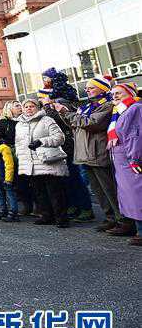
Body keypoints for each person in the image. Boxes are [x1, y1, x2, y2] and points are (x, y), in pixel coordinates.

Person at [54, 75, 133, 234]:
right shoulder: (88, 106)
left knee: (110, 189)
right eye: (87, 88)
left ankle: (123, 220)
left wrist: (67, 113)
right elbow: (74, 124)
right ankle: (110, 218)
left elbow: (91, 123)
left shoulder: (107, 105)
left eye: (91, 87)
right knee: (99, 190)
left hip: (99, 152)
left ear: (102, 89)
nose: (87, 90)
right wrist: (64, 114)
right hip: (86, 153)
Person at [39, 88, 94, 222]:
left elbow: (61, 120)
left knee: (75, 179)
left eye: (42, 96)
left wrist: (47, 106)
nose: (40, 99)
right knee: (64, 181)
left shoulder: (61, 102)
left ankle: (86, 208)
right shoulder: (45, 109)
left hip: (68, 148)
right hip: (56, 149)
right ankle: (73, 206)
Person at [15, 98, 69, 228]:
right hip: (30, 163)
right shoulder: (19, 124)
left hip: (48, 161)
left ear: (38, 108)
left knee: (55, 191)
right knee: (39, 191)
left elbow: (60, 138)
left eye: (32, 106)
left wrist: (41, 141)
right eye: (26, 106)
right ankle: (46, 215)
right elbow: (18, 143)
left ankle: (61, 218)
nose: (28, 109)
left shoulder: (47, 120)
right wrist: (20, 156)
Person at [106, 82, 142, 245]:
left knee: (137, 196)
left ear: (130, 93)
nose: (115, 96)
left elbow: (134, 136)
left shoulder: (134, 109)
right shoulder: (120, 111)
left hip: (130, 160)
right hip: (122, 160)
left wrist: (135, 159)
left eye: (119, 93)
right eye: (113, 93)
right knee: (130, 196)